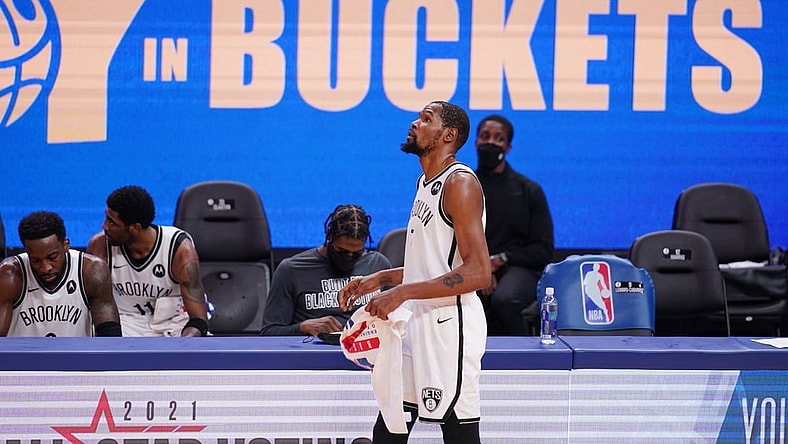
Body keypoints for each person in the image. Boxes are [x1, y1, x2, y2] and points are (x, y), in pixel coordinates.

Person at [339, 101, 490, 444]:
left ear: (448, 135)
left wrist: (403, 292)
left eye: (426, 119)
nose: (415, 123)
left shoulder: (460, 184)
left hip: (450, 327)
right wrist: (382, 279)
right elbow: (434, 262)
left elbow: (480, 273)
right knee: (392, 422)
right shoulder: (426, 181)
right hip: (416, 319)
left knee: (458, 429)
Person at [86, 185, 209, 337]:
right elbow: (95, 307)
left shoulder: (179, 250)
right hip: (123, 326)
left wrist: (182, 347)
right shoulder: (100, 246)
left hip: (174, 325)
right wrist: (114, 346)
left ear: (134, 228)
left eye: (112, 222)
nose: (104, 226)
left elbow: (198, 320)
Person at [474, 114, 554, 335]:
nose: (490, 142)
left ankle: (524, 360)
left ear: (508, 147)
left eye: (498, 138)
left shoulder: (528, 190)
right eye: (485, 136)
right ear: (476, 143)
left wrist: (499, 261)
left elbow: (543, 249)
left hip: (518, 267)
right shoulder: (463, 186)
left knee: (505, 300)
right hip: (470, 265)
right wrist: (482, 267)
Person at [260, 204, 391, 336]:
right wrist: (301, 327)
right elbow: (269, 332)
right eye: (342, 252)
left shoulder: (378, 265)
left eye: (357, 253)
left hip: (369, 350)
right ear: (329, 237)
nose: (349, 257)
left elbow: (398, 323)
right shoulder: (291, 269)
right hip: (312, 352)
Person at [0, 211, 121, 337]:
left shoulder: (91, 270)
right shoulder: (10, 274)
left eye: (52, 257)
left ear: (65, 245)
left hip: (76, 356)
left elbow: (110, 337)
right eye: (35, 260)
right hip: (24, 356)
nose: (45, 268)